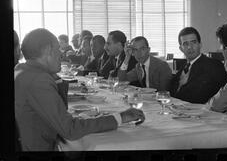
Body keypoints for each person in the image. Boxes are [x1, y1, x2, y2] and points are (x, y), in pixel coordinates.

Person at [15, 28, 145, 151]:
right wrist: (120, 117)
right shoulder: (39, 80)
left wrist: (56, 77)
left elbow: (61, 110)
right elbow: (70, 129)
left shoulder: (22, 70)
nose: (61, 53)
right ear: (49, 50)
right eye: (58, 49)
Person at [170, 27, 227, 104]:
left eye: (193, 42)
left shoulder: (214, 66)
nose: (190, 47)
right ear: (181, 48)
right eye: (185, 44)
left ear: (200, 44)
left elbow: (198, 97)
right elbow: (171, 92)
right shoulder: (183, 67)